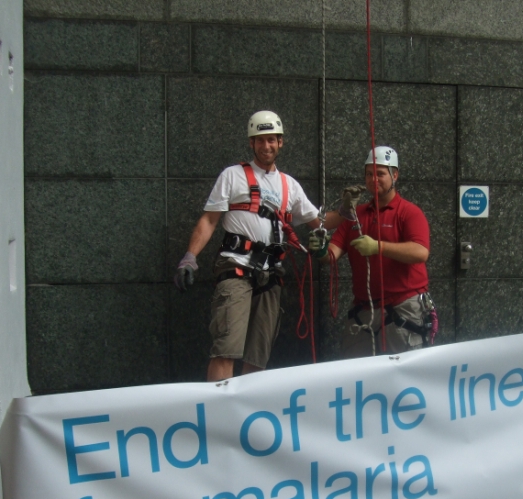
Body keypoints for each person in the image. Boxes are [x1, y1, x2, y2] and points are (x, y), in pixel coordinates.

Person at [174, 111, 331, 381]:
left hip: (271, 275)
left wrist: (348, 213)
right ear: (251, 143)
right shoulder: (232, 176)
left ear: (280, 142)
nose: (266, 146)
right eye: (260, 140)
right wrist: (190, 256)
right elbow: (210, 220)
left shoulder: (289, 186)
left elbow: (319, 222)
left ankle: (246, 408)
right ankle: (218, 406)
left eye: (271, 140)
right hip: (236, 267)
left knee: (258, 357)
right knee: (226, 349)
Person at [310, 146, 435, 358]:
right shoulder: (354, 215)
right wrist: (320, 249)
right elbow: (331, 255)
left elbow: (420, 252)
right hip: (364, 309)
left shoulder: (409, 213)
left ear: (395, 175)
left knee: (403, 370)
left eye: (380, 174)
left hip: (403, 306)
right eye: (369, 174)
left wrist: (378, 247)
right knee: (356, 370)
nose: (373, 179)